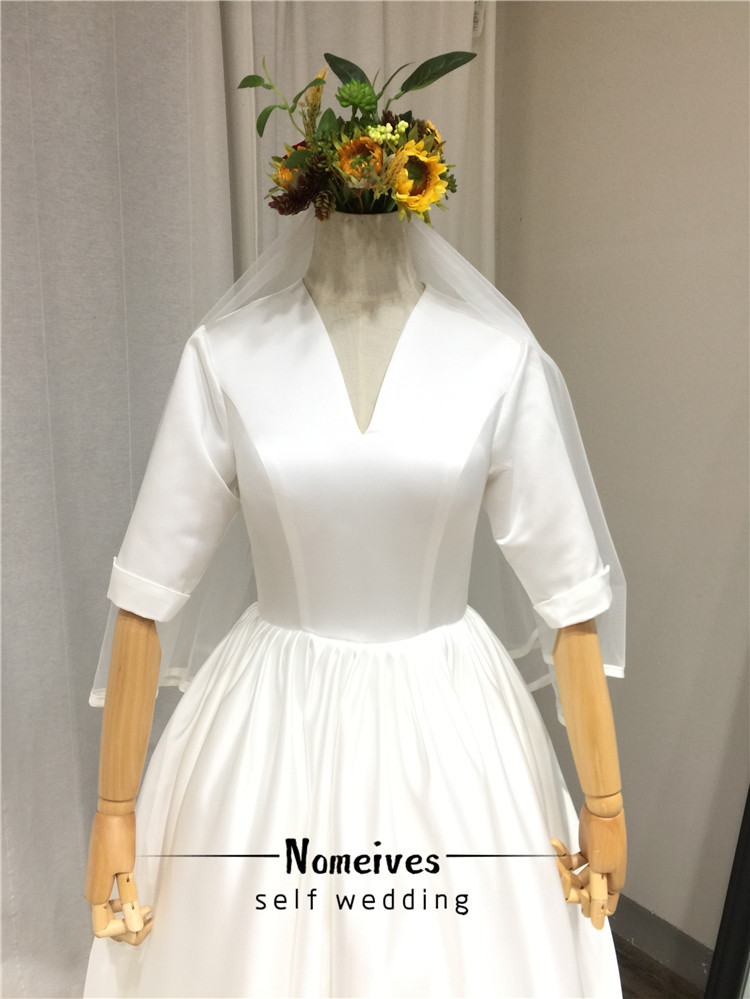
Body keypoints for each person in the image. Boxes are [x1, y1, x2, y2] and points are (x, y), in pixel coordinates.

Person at [84, 54, 626, 998]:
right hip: (272, 723)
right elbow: (145, 593)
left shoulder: (496, 359)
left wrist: (605, 805)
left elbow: (569, 597)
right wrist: (115, 810)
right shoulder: (227, 357)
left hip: (451, 726)